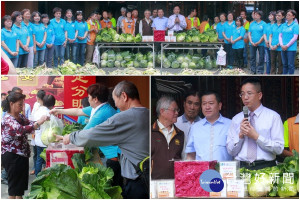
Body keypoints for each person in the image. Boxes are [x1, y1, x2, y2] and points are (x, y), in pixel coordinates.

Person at [59, 81, 149, 199]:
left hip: (137, 181)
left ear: (124, 96)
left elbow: (90, 135)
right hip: (148, 176)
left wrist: (70, 137)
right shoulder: (147, 113)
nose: (115, 105)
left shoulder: (124, 118)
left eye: (115, 100)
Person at [50, 83, 123, 188]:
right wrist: (58, 110)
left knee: (115, 186)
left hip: (114, 156)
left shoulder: (102, 113)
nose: (88, 99)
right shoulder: (98, 108)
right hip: (112, 153)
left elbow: (84, 134)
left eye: (89, 96)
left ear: (95, 99)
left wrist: (64, 138)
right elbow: (78, 111)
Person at [226, 77, 284, 170]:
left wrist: (256, 137)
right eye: (242, 94)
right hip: (241, 167)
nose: (245, 97)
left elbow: (279, 149)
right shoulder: (236, 119)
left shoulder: (273, 117)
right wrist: (240, 136)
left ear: (259, 95)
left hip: (266, 167)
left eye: (249, 93)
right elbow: (231, 151)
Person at [1, 92, 48, 199]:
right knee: (13, 189)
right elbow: (21, 130)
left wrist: (42, 120)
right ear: (11, 104)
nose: (22, 107)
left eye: (22, 104)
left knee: (20, 188)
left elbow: (29, 123)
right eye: (20, 105)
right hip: (12, 156)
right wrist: (39, 122)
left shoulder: (19, 116)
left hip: (22, 155)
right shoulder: (8, 119)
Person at [186, 91, 232, 161]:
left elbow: (236, 152)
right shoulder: (195, 128)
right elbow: (191, 154)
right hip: (201, 171)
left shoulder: (230, 125)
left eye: (211, 103)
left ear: (219, 105)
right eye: (204, 104)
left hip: (224, 171)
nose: (207, 107)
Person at [151, 96, 184, 179]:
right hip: (154, 184)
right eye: (174, 110)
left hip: (175, 184)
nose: (177, 113)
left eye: (178, 110)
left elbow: (184, 159)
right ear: (162, 111)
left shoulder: (180, 134)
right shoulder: (150, 132)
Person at [33, 93, 56, 177]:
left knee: (39, 159)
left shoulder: (38, 110)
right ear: (53, 104)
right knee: (48, 160)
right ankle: (47, 177)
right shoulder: (49, 113)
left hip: (38, 139)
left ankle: (37, 176)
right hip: (48, 141)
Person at [175, 90, 201, 160]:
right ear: (184, 104)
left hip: (199, 166)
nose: (192, 107)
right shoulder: (175, 123)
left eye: (196, 104)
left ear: (200, 106)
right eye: (189, 103)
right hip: (179, 166)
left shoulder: (204, 125)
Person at [279, 9, 299, 74]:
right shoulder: (283, 25)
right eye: (287, 15)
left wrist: (287, 45)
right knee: (284, 64)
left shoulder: (295, 25)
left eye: (289, 15)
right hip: (283, 47)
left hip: (291, 48)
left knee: (290, 65)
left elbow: (295, 37)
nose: (287, 16)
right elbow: (280, 36)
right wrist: (282, 45)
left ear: (293, 16)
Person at [269, 10, 285, 74]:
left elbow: (283, 37)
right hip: (272, 46)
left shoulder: (284, 26)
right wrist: (270, 45)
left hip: (280, 47)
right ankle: (272, 74)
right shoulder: (272, 25)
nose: (277, 17)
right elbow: (270, 36)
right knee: (272, 62)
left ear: (283, 17)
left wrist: (277, 45)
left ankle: (280, 75)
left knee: (280, 63)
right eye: (276, 15)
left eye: (279, 15)